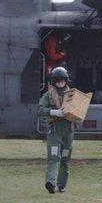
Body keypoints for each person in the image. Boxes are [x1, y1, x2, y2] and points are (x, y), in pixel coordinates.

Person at [38, 66, 75, 194]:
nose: (60, 83)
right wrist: (54, 112)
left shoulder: (73, 95)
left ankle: (61, 185)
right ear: (54, 82)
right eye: (58, 80)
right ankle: (50, 182)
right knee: (54, 158)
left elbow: (80, 110)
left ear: (66, 80)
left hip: (68, 131)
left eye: (62, 80)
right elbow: (40, 109)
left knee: (65, 158)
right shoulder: (48, 96)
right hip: (55, 131)